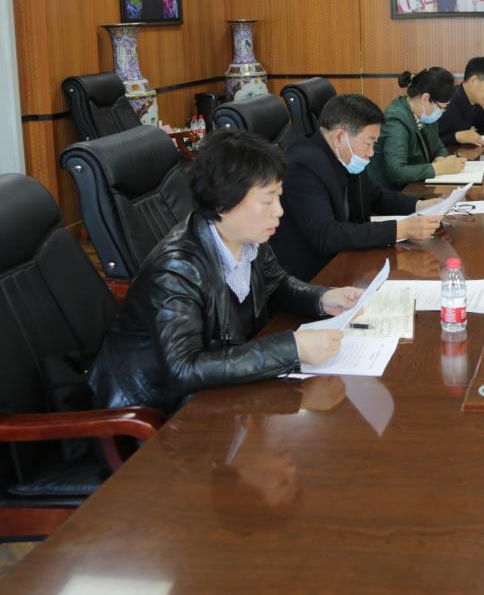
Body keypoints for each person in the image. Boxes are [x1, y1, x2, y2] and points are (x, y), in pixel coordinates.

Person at [88, 130, 362, 413]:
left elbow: (276, 285)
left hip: (219, 389)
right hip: (155, 408)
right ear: (223, 203)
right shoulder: (176, 269)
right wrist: (292, 349)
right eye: (267, 201)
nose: (279, 211)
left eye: (278, 198)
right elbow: (183, 368)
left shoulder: (247, 237)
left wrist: (322, 298)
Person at [271, 94, 442, 281]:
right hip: (316, 276)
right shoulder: (303, 166)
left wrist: (420, 205)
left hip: (346, 260)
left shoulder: (344, 155)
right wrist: (400, 229)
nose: (371, 152)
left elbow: (374, 195)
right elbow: (327, 235)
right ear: (339, 137)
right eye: (369, 143)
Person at [367, 67, 466, 189]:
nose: (442, 112)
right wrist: (438, 168)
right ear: (425, 98)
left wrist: (440, 159)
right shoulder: (396, 120)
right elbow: (396, 171)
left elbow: (439, 147)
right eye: (442, 107)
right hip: (392, 193)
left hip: (415, 187)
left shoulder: (425, 116)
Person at [437, 56, 484, 145]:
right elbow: (429, 143)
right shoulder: (446, 103)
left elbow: (483, 119)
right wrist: (456, 137)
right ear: (473, 80)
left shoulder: (470, 100)